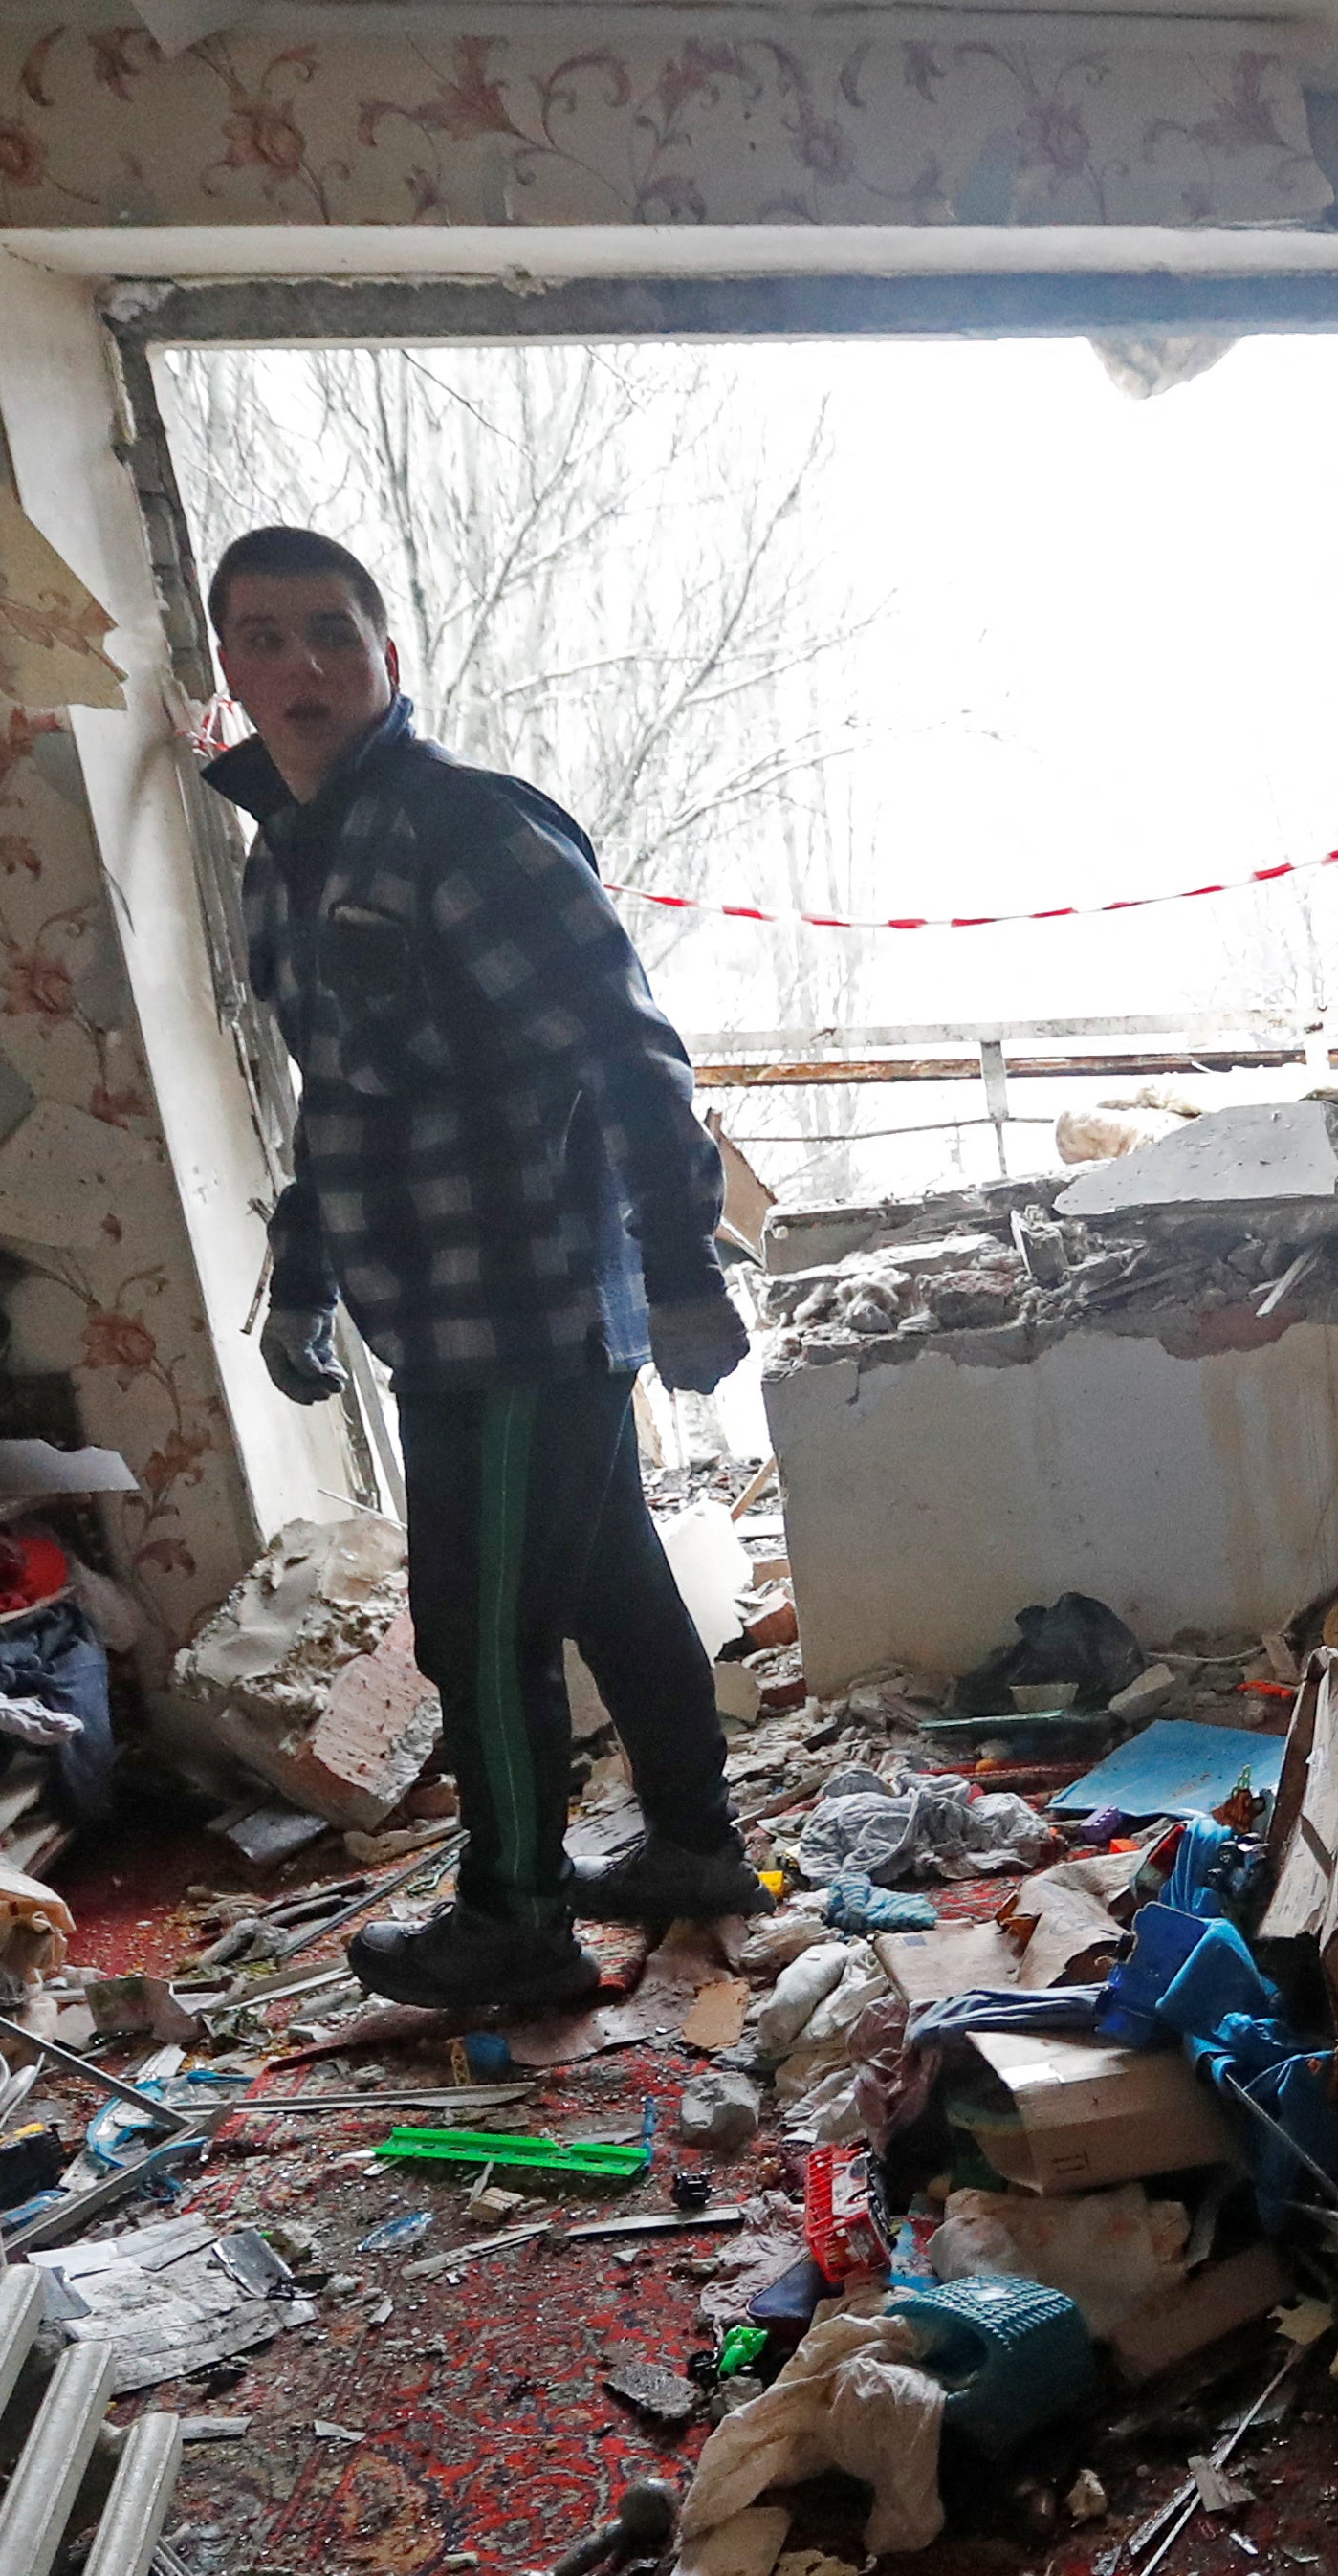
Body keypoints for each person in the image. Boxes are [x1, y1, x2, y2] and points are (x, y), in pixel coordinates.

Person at [202, 525, 768, 2014]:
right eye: (265, 637)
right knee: (602, 1573)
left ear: (389, 652)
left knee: (478, 1619)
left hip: (527, 1296)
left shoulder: (471, 830)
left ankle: (517, 1920)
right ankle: (697, 1848)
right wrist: (305, 1277)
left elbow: (632, 1051)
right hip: (424, 1305)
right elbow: (336, 1091)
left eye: (332, 630)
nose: (303, 665)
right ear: (230, 670)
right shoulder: (288, 857)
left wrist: (685, 1263)